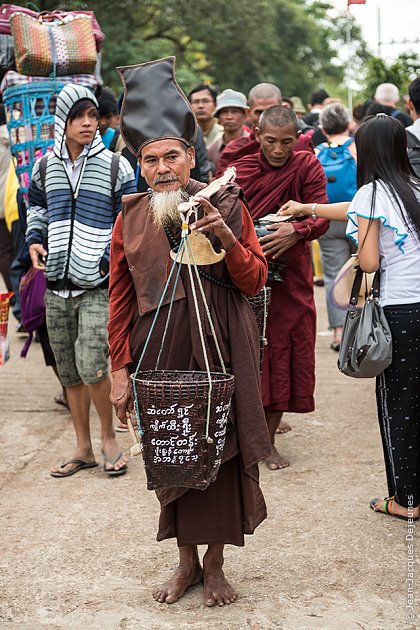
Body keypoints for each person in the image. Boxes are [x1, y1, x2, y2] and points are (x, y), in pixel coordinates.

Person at [109, 57, 271, 606]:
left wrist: (223, 231)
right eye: (149, 160)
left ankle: (218, 565)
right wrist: (118, 370)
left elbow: (253, 281)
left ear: (189, 154)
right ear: (140, 164)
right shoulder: (129, 217)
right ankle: (184, 565)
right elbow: (120, 299)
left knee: (219, 456)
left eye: (171, 156)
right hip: (158, 351)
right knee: (171, 453)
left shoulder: (223, 200)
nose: (161, 168)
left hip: (220, 344)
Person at [280, 113, 420, 521]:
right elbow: (355, 209)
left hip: (399, 311)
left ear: (370, 151)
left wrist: (358, 256)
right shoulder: (411, 186)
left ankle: (405, 500)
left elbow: (371, 259)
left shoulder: (373, 194)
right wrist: (310, 207)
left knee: (398, 405)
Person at [26, 84, 136, 477]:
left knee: (91, 363)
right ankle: (83, 446)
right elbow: (35, 207)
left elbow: (130, 221)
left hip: (98, 285)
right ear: (63, 121)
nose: (89, 123)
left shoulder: (115, 166)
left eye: (93, 115)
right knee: (68, 368)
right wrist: (35, 240)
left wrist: (108, 259)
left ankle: (109, 439)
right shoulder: (43, 166)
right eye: (79, 116)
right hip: (56, 283)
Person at [232, 106, 329, 470]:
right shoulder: (240, 168)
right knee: (246, 355)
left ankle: (267, 443)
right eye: (270, 141)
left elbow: (320, 213)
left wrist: (297, 231)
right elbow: (225, 211)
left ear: (297, 137)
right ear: (256, 135)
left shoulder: (306, 165)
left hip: (291, 277)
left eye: (286, 142)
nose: (277, 150)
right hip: (246, 274)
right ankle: (241, 438)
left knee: (284, 354)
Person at [316, 102, 357, 351]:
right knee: (363, 271)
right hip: (357, 217)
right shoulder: (356, 148)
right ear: (349, 124)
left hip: (327, 218)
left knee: (333, 275)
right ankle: (361, 329)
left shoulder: (317, 151)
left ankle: (339, 333)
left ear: (322, 127)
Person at [216, 83, 313, 177]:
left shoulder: (301, 144)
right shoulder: (236, 149)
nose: (265, 118)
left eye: (271, 110)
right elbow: (223, 189)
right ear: (249, 113)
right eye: (259, 112)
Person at [207, 89, 249, 172]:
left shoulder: (254, 145)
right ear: (219, 117)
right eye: (225, 112)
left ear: (245, 115)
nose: (229, 117)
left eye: (235, 112)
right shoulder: (212, 150)